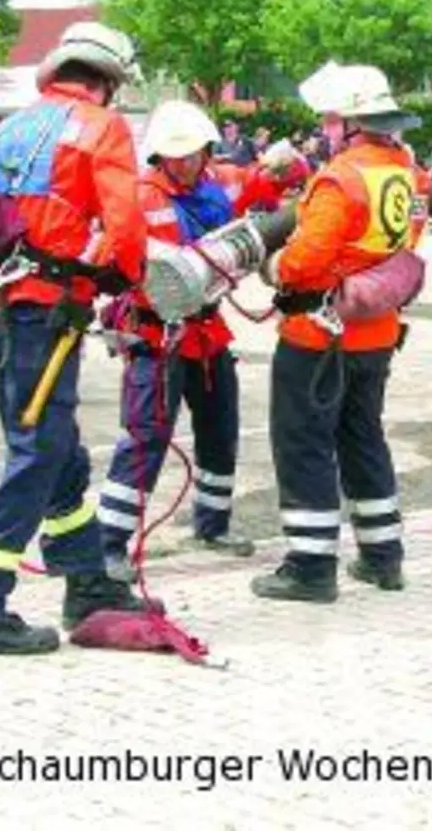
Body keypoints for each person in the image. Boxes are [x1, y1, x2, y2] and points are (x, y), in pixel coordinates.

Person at [0, 22, 153, 656]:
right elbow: (124, 227)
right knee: (38, 453)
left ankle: (85, 582)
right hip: (47, 313)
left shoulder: (7, 129)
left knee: (59, 454)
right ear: (107, 81)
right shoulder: (100, 127)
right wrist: (127, 277)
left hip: (1, 307)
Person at [251, 63, 431, 603]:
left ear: (352, 124)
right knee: (363, 437)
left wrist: (274, 266)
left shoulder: (341, 177)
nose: (326, 128)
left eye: (332, 120)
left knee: (303, 442)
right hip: (376, 332)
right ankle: (382, 556)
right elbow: (410, 235)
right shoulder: (408, 172)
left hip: (318, 336)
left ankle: (310, 566)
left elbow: (307, 259)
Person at [95, 99, 260, 580]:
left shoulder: (212, 195)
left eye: (194, 153)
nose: (186, 162)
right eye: (176, 154)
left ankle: (213, 524)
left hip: (207, 334)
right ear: (159, 156)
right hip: (158, 335)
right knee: (146, 438)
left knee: (220, 430)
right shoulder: (141, 197)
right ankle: (109, 544)